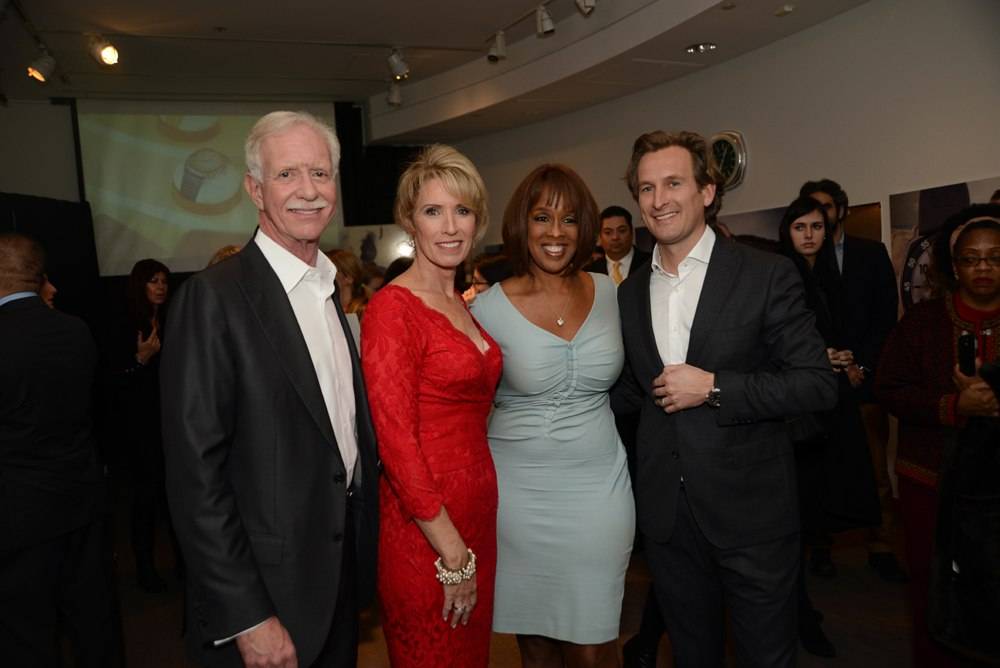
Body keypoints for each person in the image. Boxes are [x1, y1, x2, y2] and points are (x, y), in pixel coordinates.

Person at [161, 110, 379, 667]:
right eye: (287, 175)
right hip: (265, 598)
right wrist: (247, 616)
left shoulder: (328, 288)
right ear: (255, 189)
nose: (308, 190)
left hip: (336, 584)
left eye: (321, 173)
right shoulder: (214, 298)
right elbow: (196, 476)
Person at [613, 130, 837, 667]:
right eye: (646, 188)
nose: (659, 200)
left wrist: (714, 387)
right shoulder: (629, 292)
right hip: (668, 519)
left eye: (673, 183)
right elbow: (630, 393)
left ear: (707, 192)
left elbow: (815, 383)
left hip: (752, 514)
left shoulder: (765, 273)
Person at [472, 163, 634, 667]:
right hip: (518, 497)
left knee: (594, 646)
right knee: (537, 646)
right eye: (542, 218)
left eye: (569, 219)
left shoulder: (610, 293)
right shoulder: (486, 310)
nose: (556, 233)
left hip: (600, 489)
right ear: (522, 225)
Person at [361, 144, 501, 667]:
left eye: (462, 210)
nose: (449, 226)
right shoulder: (391, 310)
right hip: (427, 530)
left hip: (477, 516)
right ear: (409, 220)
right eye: (432, 211)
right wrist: (452, 551)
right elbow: (396, 442)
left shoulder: (460, 303)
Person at [876, 204, 1000, 668]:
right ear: (954, 265)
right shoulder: (922, 322)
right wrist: (953, 405)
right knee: (936, 588)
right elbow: (889, 389)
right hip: (931, 479)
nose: (983, 267)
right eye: (971, 258)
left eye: (995, 257)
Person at [0, 233, 120, 667]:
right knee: (93, 622)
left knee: (26, 634)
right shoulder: (74, 330)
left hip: (17, 515)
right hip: (80, 500)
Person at [777, 196, 882, 657]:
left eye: (817, 227)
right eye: (800, 227)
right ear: (787, 231)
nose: (809, 235)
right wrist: (820, 356)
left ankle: (800, 610)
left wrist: (846, 361)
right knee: (795, 518)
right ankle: (795, 614)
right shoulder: (783, 273)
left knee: (818, 508)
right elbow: (777, 342)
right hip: (796, 411)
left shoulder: (826, 274)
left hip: (828, 403)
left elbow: (841, 331)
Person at [799, 178, 905, 582]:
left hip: (864, 380)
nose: (819, 217)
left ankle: (881, 545)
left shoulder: (870, 253)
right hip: (820, 383)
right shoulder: (801, 261)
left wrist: (862, 365)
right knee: (821, 466)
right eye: (810, 210)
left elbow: (884, 316)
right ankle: (822, 547)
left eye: (826, 208)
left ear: (841, 210)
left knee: (875, 467)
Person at [109, 258, 178, 592]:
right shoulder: (125, 323)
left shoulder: (171, 319)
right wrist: (141, 360)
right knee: (145, 500)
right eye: (153, 281)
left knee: (175, 499)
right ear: (140, 285)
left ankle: (184, 567)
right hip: (139, 428)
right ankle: (146, 571)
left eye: (164, 281)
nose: (161, 287)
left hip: (171, 423)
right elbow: (110, 382)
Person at [586, 205, 651, 284]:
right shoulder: (590, 272)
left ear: (631, 233)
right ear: (600, 236)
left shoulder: (650, 263)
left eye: (622, 231)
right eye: (608, 232)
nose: (615, 237)